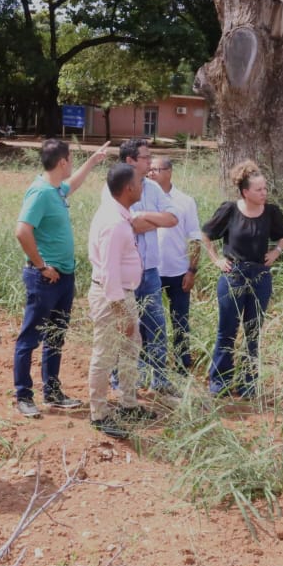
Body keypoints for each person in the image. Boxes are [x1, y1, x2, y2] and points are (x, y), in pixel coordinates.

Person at [13, 138, 112, 418]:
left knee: (55, 336)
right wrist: (41, 265)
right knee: (30, 338)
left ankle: (53, 392)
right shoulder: (41, 192)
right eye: (71, 158)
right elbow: (22, 231)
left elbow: (74, 184)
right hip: (45, 278)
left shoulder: (56, 189)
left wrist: (92, 161)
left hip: (63, 277)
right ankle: (23, 395)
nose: (72, 163)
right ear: (62, 162)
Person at [200, 160, 283, 397]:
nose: (264, 193)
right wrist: (216, 260)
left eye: (265, 189)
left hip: (260, 277)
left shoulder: (271, 212)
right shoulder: (230, 210)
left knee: (253, 331)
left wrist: (276, 251)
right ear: (245, 192)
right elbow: (206, 234)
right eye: (259, 190)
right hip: (234, 276)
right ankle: (219, 381)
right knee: (227, 330)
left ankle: (249, 383)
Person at [86, 163, 153, 439]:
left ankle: (128, 404)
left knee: (129, 349)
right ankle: (99, 413)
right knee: (105, 353)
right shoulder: (114, 223)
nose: (143, 184)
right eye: (139, 181)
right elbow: (110, 273)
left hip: (124, 294)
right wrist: (122, 312)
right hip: (112, 296)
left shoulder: (119, 214)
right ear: (128, 188)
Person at [113, 139, 180, 394]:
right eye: (145, 157)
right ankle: (121, 381)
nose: (150, 162)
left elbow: (172, 219)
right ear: (130, 161)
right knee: (125, 328)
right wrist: (153, 220)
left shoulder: (152, 188)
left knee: (157, 327)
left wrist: (143, 218)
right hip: (125, 274)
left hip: (151, 271)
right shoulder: (114, 186)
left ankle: (159, 380)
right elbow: (131, 225)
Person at [149, 156, 202, 373]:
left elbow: (195, 238)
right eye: (149, 169)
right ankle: (152, 363)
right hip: (150, 271)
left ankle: (182, 363)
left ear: (169, 172)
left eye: (156, 169)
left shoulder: (184, 201)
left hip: (178, 271)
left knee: (180, 319)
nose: (151, 173)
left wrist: (191, 270)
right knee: (150, 319)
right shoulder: (143, 197)